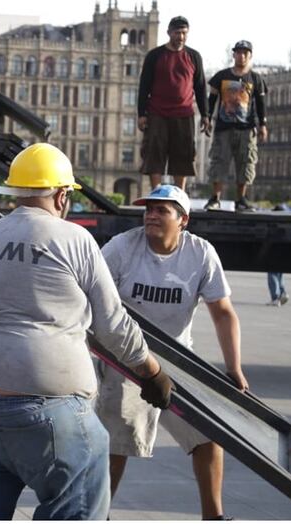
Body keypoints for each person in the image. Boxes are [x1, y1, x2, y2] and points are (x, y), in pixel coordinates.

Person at [0, 143, 171, 520]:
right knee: (79, 487)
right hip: (33, 404)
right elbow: (114, 326)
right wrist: (152, 372)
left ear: (15, 193)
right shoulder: (74, 239)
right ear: (62, 195)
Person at [95, 184, 250, 520]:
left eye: (161, 210)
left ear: (183, 220)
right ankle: (99, 515)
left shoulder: (200, 253)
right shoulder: (122, 248)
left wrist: (233, 366)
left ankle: (214, 516)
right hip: (126, 358)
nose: (151, 215)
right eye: (148, 209)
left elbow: (222, 311)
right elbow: (92, 298)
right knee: (115, 443)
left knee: (209, 433)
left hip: (178, 360)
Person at [137, 15, 209, 191]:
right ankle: (156, 191)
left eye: (184, 33)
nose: (181, 37)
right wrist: (141, 114)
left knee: (183, 155)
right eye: (177, 32)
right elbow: (144, 86)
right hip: (157, 113)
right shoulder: (155, 56)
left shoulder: (194, 57)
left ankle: (180, 194)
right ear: (169, 32)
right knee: (154, 153)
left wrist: (206, 115)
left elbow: (200, 87)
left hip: (184, 114)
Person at [204, 41, 268, 212]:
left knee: (246, 162)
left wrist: (263, 124)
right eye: (238, 53)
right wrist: (208, 118)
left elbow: (261, 104)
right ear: (233, 55)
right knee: (219, 161)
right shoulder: (221, 77)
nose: (242, 56)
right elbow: (212, 100)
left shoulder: (256, 79)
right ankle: (215, 198)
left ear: (250, 56)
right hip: (223, 127)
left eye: (245, 53)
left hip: (246, 128)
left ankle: (241, 199)